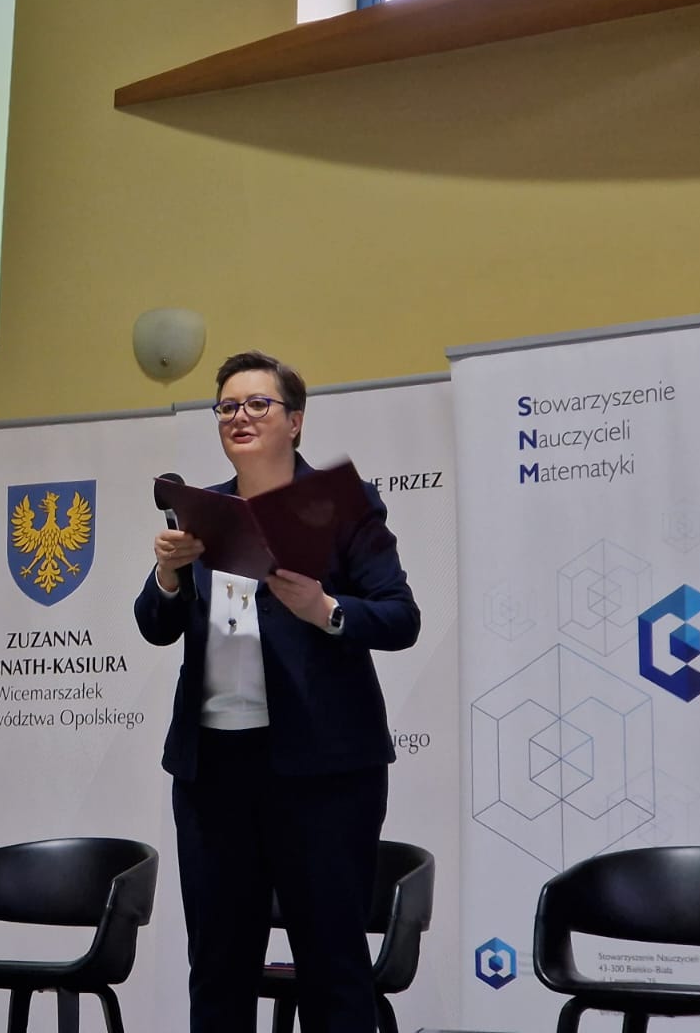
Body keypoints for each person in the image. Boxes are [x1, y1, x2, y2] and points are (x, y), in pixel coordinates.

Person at [136, 350, 419, 1033]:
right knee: (218, 965)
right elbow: (154, 626)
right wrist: (168, 576)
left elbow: (400, 617)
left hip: (323, 772)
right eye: (227, 407)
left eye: (258, 404)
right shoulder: (200, 512)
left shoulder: (342, 505)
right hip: (213, 772)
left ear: (294, 421)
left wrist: (326, 609)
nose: (240, 416)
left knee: (332, 966)